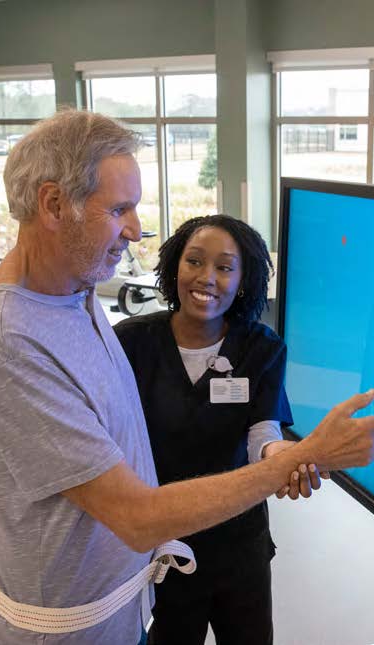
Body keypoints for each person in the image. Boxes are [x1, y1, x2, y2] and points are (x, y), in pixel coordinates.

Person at [0, 108, 374, 644]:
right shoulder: (11, 341)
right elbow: (136, 518)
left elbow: (20, 443)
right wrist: (305, 456)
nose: (135, 229)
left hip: (133, 599)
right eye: (119, 209)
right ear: (54, 205)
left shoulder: (75, 293)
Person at [115, 214, 302, 645]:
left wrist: (281, 459)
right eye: (195, 261)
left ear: (243, 281)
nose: (207, 278)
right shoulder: (131, 342)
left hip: (239, 538)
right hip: (166, 538)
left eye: (224, 267)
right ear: (174, 265)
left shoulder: (261, 347)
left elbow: (263, 431)